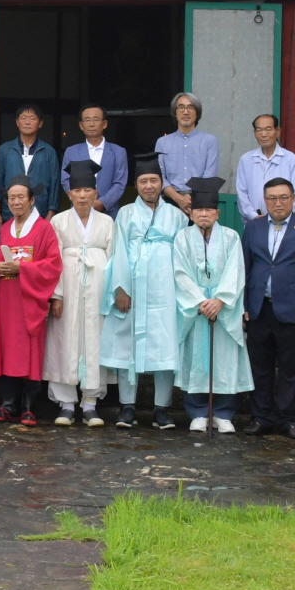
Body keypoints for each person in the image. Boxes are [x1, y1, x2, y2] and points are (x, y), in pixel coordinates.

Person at [104, 152, 189, 429]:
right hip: (133, 289)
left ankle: (161, 409)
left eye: (153, 180)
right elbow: (118, 252)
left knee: (165, 345)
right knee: (128, 345)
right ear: (136, 185)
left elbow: (183, 255)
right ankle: (127, 407)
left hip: (166, 292)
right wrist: (121, 289)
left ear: (161, 182)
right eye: (143, 181)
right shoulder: (126, 213)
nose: (149, 186)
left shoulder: (176, 216)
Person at [241, 175, 295, 438]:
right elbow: (245, 268)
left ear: (293, 199)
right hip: (259, 307)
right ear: (264, 200)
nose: (278, 203)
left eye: (283, 198)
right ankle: (261, 417)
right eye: (272, 198)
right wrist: (244, 305)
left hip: (293, 309)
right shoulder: (253, 228)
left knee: (291, 368)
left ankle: (289, 419)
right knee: (259, 367)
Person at [0, 177, 63, 424]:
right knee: (6, 349)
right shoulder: (5, 228)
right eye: (11, 198)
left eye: (21, 197)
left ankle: (29, 406)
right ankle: (8, 404)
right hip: (6, 299)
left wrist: (22, 268)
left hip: (30, 299)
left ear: (32, 200)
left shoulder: (44, 229)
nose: (16, 202)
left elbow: (53, 264)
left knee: (29, 350)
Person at [174, 176, 249, 431]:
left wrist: (220, 300)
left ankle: (223, 413)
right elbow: (180, 273)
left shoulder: (231, 238)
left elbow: (235, 271)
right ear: (191, 212)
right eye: (199, 210)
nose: (203, 214)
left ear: (217, 213)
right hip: (195, 308)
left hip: (223, 308)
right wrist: (199, 301)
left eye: (208, 210)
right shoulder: (182, 238)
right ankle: (197, 412)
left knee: (224, 359)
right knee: (195, 357)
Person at [45, 159, 117, 426]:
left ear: (96, 193)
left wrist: (111, 293)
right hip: (68, 286)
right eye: (77, 191)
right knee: (64, 338)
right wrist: (57, 295)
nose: (83, 195)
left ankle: (90, 403)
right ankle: (65, 403)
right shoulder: (59, 221)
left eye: (88, 190)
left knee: (94, 339)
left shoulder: (107, 222)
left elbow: (114, 259)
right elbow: (53, 260)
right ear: (70, 194)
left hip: (97, 289)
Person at [234, 113, 295, 231]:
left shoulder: (290, 159)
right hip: (254, 222)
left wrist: (281, 216)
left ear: (277, 132)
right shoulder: (246, 159)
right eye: (259, 130)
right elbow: (242, 192)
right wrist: (253, 216)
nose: (263, 134)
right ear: (254, 133)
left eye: (268, 129)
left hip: (283, 223)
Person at [155, 91, 219, 214]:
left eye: (191, 107)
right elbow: (160, 176)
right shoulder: (162, 142)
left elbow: (209, 175)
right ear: (175, 112)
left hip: (200, 202)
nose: (185, 112)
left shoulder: (209, 141)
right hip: (170, 201)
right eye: (181, 107)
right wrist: (178, 198)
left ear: (197, 113)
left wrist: (191, 200)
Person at [0, 104, 58, 218]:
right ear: (17, 122)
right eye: (23, 118)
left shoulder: (49, 151)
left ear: (40, 123)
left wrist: (51, 213)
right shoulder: (4, 150)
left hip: (39, 211)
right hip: (9, 212)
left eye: (32, 119)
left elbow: (54, 185)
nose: (27, 122)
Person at [61, 105, 129, 210]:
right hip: (79, 210)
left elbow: (120, 183)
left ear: (104, 124)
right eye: (87, 120)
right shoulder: (71, 152)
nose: (91, 124)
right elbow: (66, 180)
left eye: (96, 120)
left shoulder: (118, 152)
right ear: (81, 125)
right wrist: (81, 200)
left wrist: (103, 203)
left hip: (109, 211)